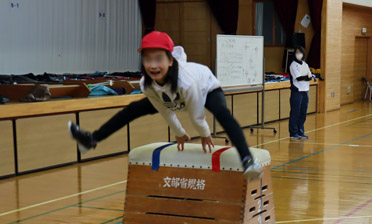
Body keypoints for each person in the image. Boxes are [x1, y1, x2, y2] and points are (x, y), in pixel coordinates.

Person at [68, 31, 261, 179]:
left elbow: (196, 114)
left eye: (158, 59)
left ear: (170, 61)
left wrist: (204, 134)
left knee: (222, 112)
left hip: (206, 90)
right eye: (147, 59)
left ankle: (247, 160)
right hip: (173, 99)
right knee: (133, 109)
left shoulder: (187, 80)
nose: (153, 65)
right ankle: (91, 140)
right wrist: (178, 132)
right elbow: (164, 110)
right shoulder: (147, 84)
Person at [289, 46, 312, 140]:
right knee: (295, 112)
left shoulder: (305, 64)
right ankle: (293, 132)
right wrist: (306, 76)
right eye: (297, 52)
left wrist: (306, 77)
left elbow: (310, 76)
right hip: (297, 91)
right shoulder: (293, 65)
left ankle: (300, 131)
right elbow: (298, 78)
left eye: (300, 52)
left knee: (303, 112)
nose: (299, 54)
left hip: (305, 90)